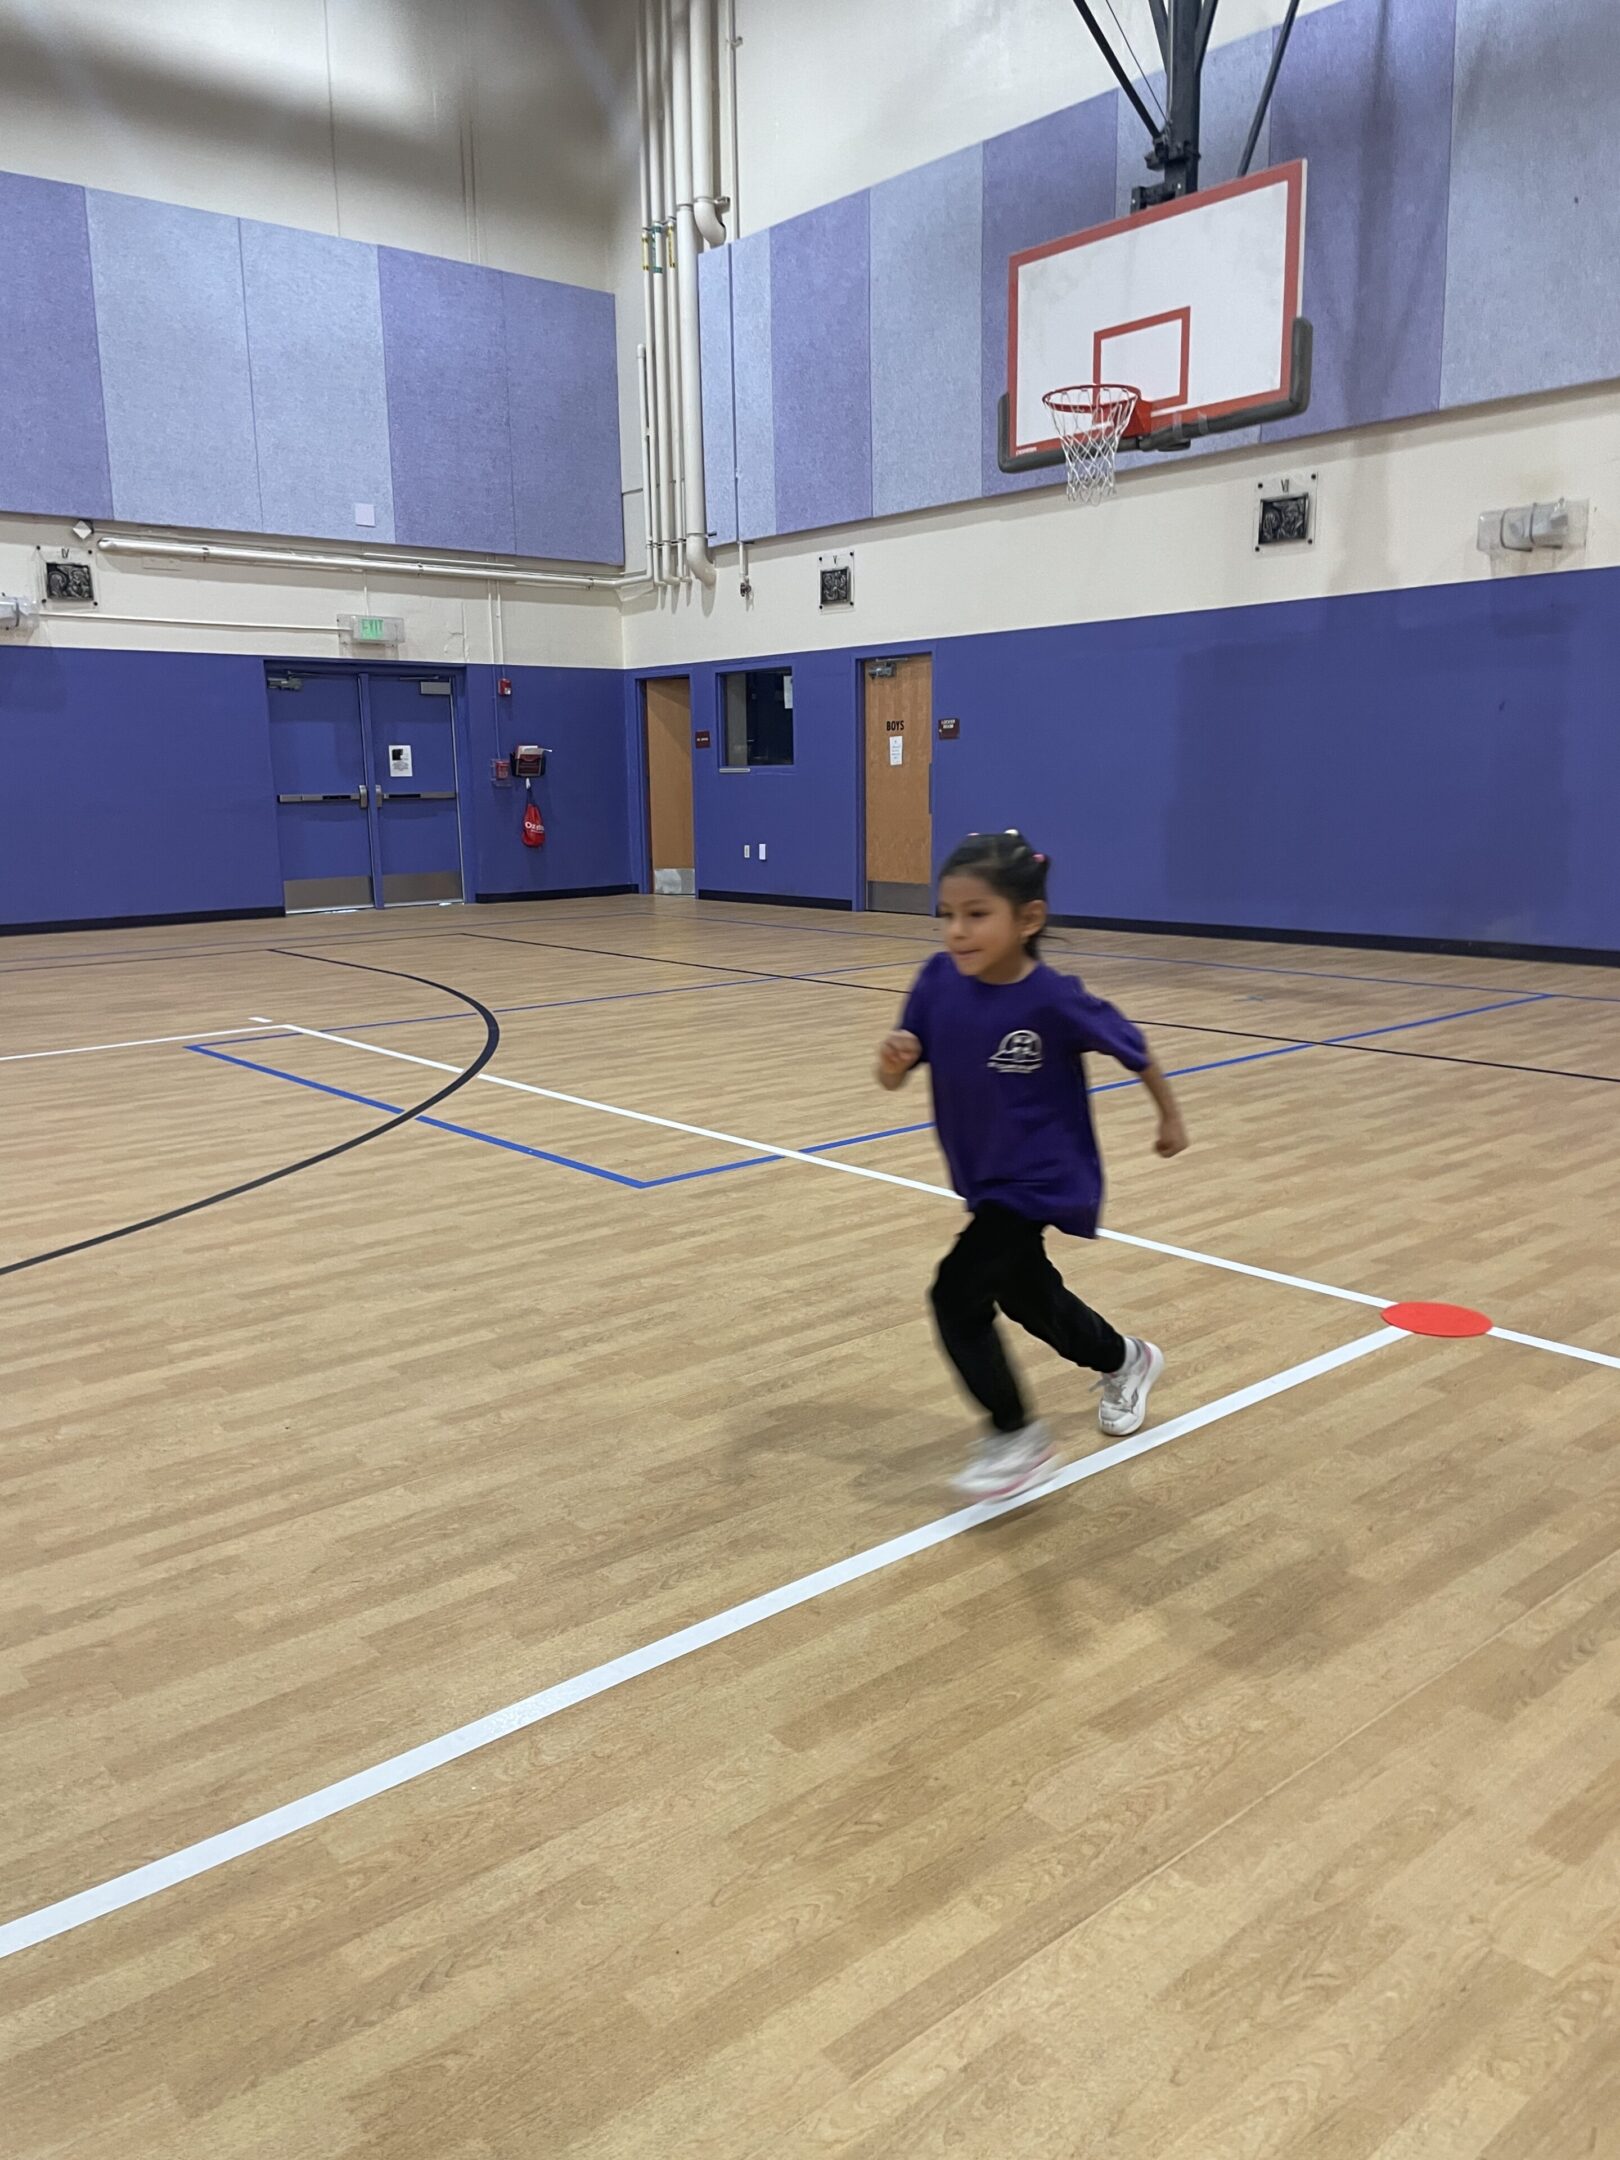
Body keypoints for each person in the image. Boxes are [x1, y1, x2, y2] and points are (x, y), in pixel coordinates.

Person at [877, 831, 1189, 1500]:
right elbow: (893, 1077)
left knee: (955, 1293)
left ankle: (1016, 1437)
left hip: (1041, 1177)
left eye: (977, 914)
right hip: (987, 1179)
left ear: (1029, 920)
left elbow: (1135, 1050)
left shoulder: (1052, 998)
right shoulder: (937, 982)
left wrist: (1169, 1117)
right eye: (947, 915)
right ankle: (1125, 1359)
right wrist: (894, 1060)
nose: (957, 931)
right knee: (1024, 1294)